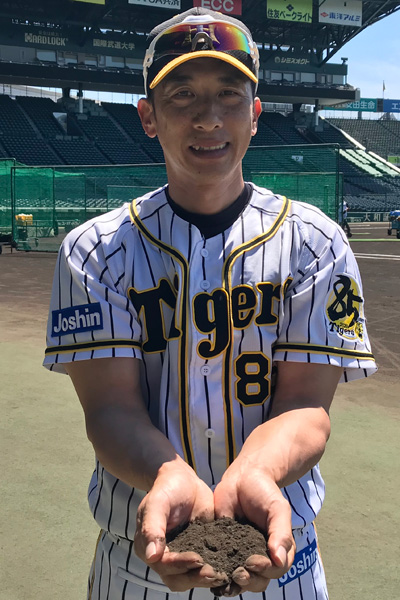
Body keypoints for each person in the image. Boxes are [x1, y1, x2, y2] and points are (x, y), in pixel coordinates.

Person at [43, 8, 377, 600]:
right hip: (137, 563)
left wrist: (258, 471)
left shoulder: (316, 243)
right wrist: (168, 472)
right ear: (147, 116)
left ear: (255, 113)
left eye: (229, 94)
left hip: (283, 558)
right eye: (182, 94)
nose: (209, 117)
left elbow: (306, 405)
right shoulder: (94, 251)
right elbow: (110, 408)